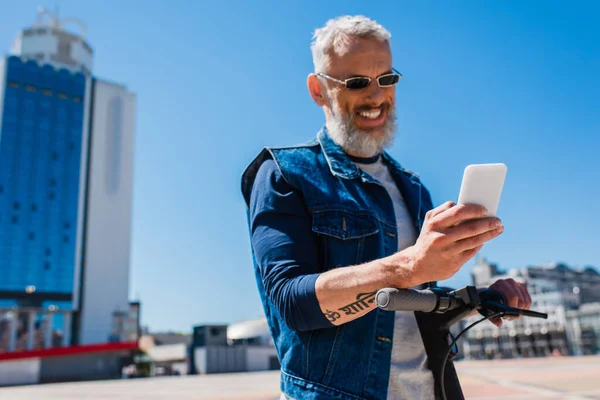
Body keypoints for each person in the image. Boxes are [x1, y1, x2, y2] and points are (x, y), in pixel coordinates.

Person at [241, 15, 532, 400]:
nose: (376, 96)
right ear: (318, 90)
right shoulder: (284, 174)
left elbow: (412, 295)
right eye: (357, 82)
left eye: (387, 79)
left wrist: (478, 298)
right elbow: (293, 303)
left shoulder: (412, 189)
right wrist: (410, 265)